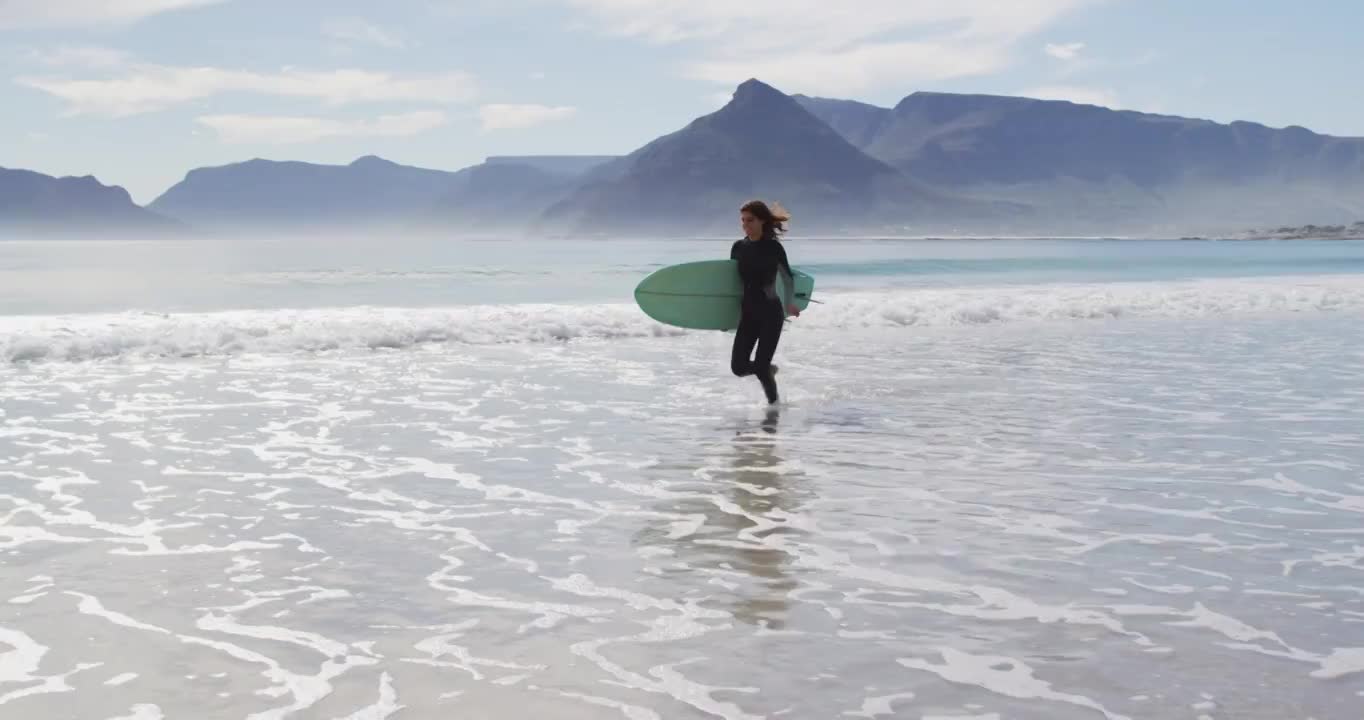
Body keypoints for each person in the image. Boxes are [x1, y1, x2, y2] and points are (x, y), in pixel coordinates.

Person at [730, 200, 800, 404]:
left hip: (771, 313)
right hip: (748, 314)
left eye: (750, 220)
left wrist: (790, 303)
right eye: (742, 220)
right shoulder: (738, 247)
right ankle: (769, 370)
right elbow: (731, 285)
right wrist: (724, 317)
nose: (745, 224)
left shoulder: (773, 247)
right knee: (739, 368)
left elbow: (788, 278)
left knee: (760, 367)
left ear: (762, 221)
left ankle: (774, 411)